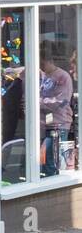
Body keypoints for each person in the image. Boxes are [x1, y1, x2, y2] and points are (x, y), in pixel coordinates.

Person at [40, 42, 76, 176]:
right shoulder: (44, 76)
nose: (41, 67)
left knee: (51, 160)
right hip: (46, 124)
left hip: (58, 124)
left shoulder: (63, 77)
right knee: (44, 159)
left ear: (49, 61)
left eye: (42, 64)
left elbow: (62, 101)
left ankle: (52, 182)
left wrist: (40, 103)